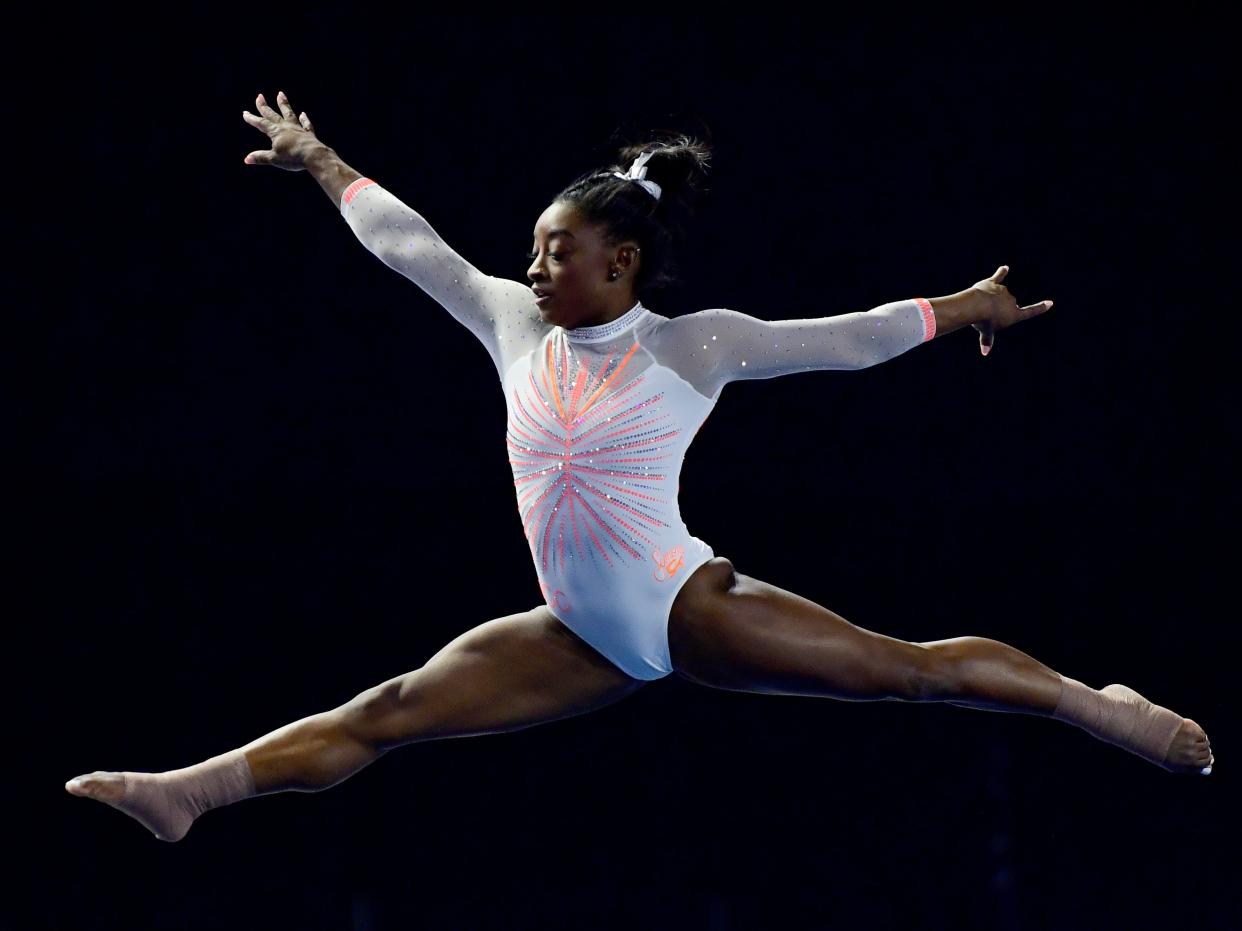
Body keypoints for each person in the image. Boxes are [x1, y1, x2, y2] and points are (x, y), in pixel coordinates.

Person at [65, 91, 1213, 843]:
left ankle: (1092, 703)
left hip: (681, 604)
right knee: (389, 711)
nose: (533, 269)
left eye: (555, 255)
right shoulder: (517, 324)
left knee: (909, 673)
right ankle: (191, 793)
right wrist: (323, 160)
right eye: (532, 252)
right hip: (573, 629)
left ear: (621, 262)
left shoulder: (688, 346)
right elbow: (413, 248)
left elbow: (846, 335)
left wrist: (972, 305)